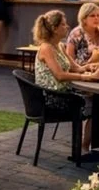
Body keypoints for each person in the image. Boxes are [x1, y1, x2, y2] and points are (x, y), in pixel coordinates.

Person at [34, 10, 99, 150]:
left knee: (95, 102)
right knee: (96, 105)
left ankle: (87, 147)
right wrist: (87, 77)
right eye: (63, 24)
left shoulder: (60, 46)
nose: (67, 26)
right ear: (54, 28)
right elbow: (60, 75)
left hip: (64, 92)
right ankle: (85, 148)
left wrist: (89, 67)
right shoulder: (46, 48)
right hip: (52, 98)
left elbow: (76, 68)